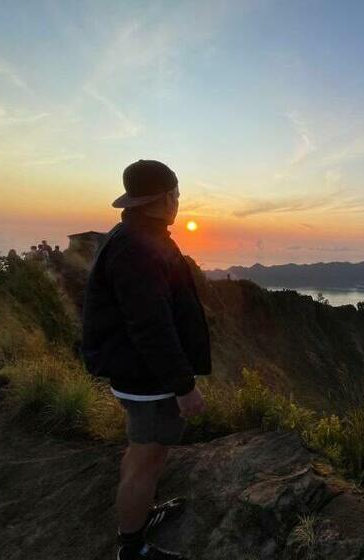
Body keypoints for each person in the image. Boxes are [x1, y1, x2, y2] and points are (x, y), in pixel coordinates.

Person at [81, 160, 211, 560]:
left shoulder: (136, 235)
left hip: (140, 372)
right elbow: (150, 326)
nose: (178, 200)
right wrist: (184, 386)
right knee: (146, 460)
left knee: (142, 452)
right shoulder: (138, 247)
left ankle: (136, 520)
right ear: (162, 197)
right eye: (175, 192)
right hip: (147, 377)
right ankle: (132, 548)